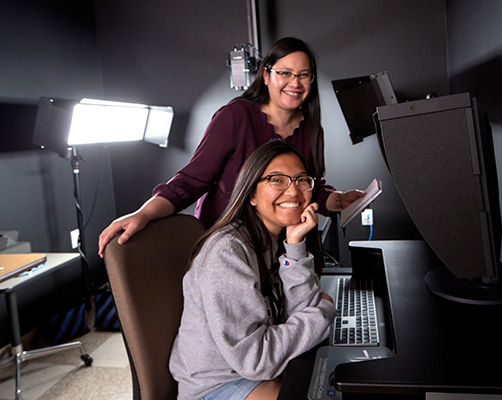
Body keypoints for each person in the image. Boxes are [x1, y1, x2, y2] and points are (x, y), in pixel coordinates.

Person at [98, 37, 364, 257]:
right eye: (285, 73)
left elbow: (306, 188)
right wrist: (143, 214)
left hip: (281, 249)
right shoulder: (235, 116)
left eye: (303, 75)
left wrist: (338, 200)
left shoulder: (311, 128)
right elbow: (190, 182)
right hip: (228, 246)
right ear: (266, 74)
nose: (295, 83)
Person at [169, 140, 336, 400]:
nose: (293, 191)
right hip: (218, 385)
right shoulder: (227, 253)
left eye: (302, 180)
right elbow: (255, 360)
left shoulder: (280, 238)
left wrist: (295, 246)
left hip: (257, 370)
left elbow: (301, 309)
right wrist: (324, 313)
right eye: (277, 180)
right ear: (251, 195)